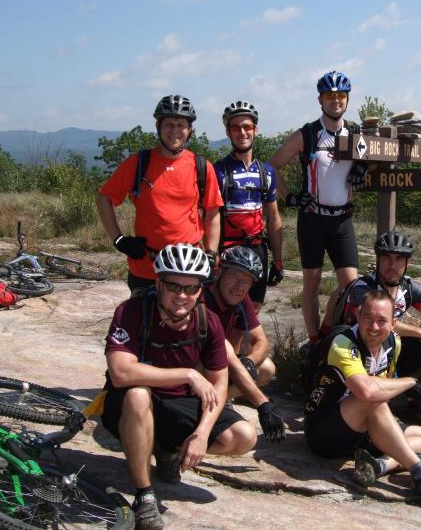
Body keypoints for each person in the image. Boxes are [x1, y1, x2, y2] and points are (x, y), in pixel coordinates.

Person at [101, 244, 256, 530]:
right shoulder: (133, 311)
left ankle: (167, 449)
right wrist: (187, 375)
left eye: (191, 288)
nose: (182, 296)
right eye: (173, 286)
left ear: (201, 289)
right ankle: (144, 495)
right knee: (137, 395)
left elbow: (220, 384)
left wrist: (202, 432)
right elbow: (121, 373)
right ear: (158, 283)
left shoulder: (207, 321)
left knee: (243, 436)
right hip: (126, 403)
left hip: (176, 404)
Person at [304, 289, 421, 510]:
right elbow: (367, 392)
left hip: (360, 431)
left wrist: (386, 427)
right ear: (358, 315)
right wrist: (411, 383)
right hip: (324, 432)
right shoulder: (343, 343)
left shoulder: (394, 343)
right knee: (371, 397)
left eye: (382, 321)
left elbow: (384, 386)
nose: (374, 327)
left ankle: (378, 466)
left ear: (394, 323)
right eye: (368, 318)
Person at [268, 71, 367, 344]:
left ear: (347, 100)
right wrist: (289, 197)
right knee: (311, 282)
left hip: (342, 219)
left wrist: (364, 171)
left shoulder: (357, 134)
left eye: (340, 96)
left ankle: (325, 331)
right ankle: (313, 342)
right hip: (312, 218)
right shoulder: (308, 134)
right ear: (320, 100)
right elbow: (272, 166)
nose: (335, 100)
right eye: (329, 96)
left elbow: (374, 165)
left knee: (350, 284)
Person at [323, 230, 421, 432]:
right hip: (356, 353)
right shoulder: (363, 287)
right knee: (398, 336)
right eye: (385, 258)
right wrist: (420, 333)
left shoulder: (408, 287)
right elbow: (374, 324)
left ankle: (419, 403)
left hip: (390, 349)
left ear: (407, 263)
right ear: (377, 260)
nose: (391, 266)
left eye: (398, 259)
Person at [97, 95, 223, 294]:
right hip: (146, 268)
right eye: (169, 124)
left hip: (187, 267)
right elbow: (104, 197)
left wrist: (211, 251)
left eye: (181, 125)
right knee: (142, 323)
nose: (175, 131)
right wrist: (118, 239)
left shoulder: (201, 167)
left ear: (189, 130)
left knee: (188, 324)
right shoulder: (139, 163)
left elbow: (213, 212)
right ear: (158, 126)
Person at [203, 245, 286, 442]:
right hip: (201, 366)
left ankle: (226, 397)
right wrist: (262, 404)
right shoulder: (202, 298)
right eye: (235, 277)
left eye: (247, 282)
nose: (240, 287)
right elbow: (224, 351)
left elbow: (262, 342)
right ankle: (215, 402)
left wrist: (249, 361)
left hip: (224, 361)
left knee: (265, 368)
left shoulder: (241, 299)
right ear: (219, 272)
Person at [214, 100, 284, 314]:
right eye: (235, 127)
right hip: (227, 250)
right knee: (225, 309)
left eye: (247, 127)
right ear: (228, 132)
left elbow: (273, 218)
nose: (242, 132)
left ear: (256, 130)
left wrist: (278, 261)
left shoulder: (267, 172)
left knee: (253, 308)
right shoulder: (218, 171)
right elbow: (209, 217)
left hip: (257, 249)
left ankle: (244, 348)